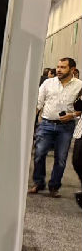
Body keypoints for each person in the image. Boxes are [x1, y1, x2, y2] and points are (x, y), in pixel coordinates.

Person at [30, 57, 82, 196]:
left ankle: (54, 186)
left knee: (61, 159)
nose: (59, 70)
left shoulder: (79, 86)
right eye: (58, 67)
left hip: (66, 127)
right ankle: (38, 183)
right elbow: (38, 103)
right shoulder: (48, 83)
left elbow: (81, 109)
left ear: (72, 69)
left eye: (63, 67)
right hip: (46, 124)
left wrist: (72, 115)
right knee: (39, 154)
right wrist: (29, 123)